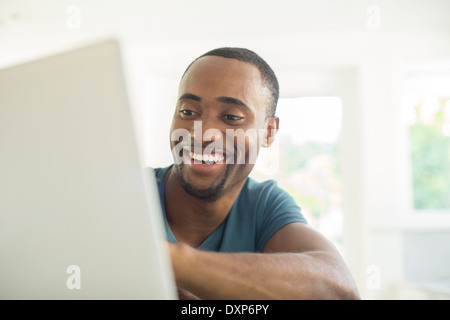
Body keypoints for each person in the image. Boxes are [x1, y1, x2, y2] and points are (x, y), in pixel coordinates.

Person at [154, 47, 360, 299]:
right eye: (188, 112)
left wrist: (170, 262)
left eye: (231, 117)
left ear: (268, 132)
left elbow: (340, 289)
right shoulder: (127, 190)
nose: (201, 133)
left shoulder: (264, 206)